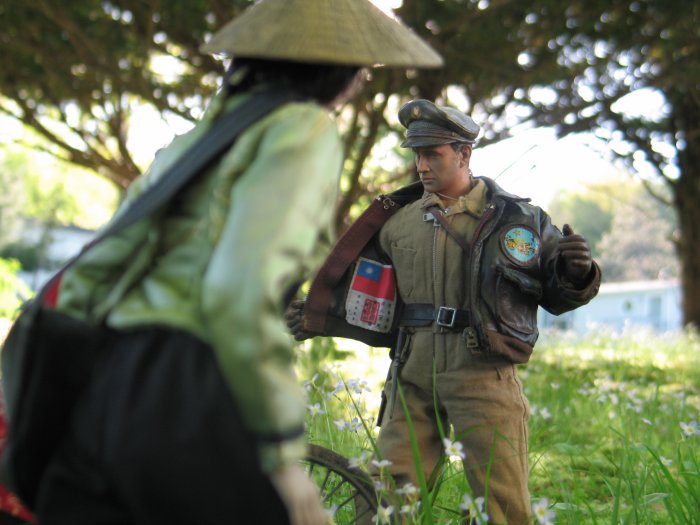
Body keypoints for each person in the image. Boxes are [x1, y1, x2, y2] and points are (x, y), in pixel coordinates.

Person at [32, 2, 442, 524]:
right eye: (360, 66)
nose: (362, 79)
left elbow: (100, 264)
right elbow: (239, 295)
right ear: (335, 69)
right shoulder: (301, 131)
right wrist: (280, 456)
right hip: (182, 382)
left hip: (105, 378)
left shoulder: (197, 139)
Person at [286, 99, 601, 524]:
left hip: (482, 370)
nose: (421, 166)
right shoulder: (398, 222)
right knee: (388, 493)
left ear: (463, 154)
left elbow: (557, 295)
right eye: (417, 155)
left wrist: (577, 272)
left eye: (432, 154)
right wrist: (316, 315)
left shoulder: (519, 220)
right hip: (412, 368)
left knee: (501, 502)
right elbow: (369, 291)